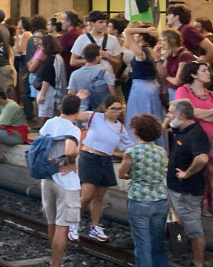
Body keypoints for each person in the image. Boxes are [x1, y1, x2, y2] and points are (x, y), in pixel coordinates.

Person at [73, 94, 134, 241]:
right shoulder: (94, 117)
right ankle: (72, 224)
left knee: (99, 196)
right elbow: (74, 115)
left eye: (120, 109)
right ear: (105, 108)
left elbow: (130, 146)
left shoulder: (119, 127)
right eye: (114, 109)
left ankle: (95, 226)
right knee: (87, 195)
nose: (117, 112)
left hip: (105, 160)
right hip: (89, 156)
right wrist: (77, 99)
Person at [37, 94, 82, 265]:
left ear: (61, 107)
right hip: (65, 181)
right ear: (78, 111)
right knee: (62, 227)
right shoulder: (72, 129)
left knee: (52, 224)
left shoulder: (49, 123)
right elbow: (70, 150)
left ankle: (53, 260)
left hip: (48, 178)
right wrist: (72, 163)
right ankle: (55, 264)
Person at [118, 113, 168, 267]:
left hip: (139, 200)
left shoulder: (132, 152)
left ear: (135, 131)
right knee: (158, 243)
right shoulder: (161, 151)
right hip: (160, 200)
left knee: (142, 245)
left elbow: (121, 173)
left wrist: (131, 175)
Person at [165, 100, 208, 267]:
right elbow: (164, 127)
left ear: (181, 115)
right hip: (175, 189)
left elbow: (202, 158)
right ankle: (180, 250)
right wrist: (169, 117)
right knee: (176, 222)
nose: (167, 115)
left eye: (170, 112)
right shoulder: (181, 129)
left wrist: (187, 173)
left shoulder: (196, 134)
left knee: (194, 228)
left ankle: (198, 262)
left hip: (186, 192)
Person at [174, 61, 213, 217]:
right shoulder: (183, 91)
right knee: (200, 170)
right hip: (192, 139)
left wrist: (199, 113)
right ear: (193, 74)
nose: (208, 73)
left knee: (210, 171)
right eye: (204, 70)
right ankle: (199, 206)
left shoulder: (210, 94)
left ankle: (209, 206)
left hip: (210, 137)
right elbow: (187, 113)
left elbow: (195, 112)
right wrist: (209, 112)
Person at [123, 24, 165, 136]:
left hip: (141, 87)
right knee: (153, 114)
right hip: (153, 86)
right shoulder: (152, 50)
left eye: (137, 35)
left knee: (138, 114)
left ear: (141, 36)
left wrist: (146, 30)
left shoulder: (141, 51)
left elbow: (127, 31)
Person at [67, 43, 116, 112]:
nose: (101, 57)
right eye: (100, 55)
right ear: (96, 58)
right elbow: (113, 94)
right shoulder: (104, 73)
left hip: (80, 112)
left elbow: (70, 95)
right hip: (99, 112)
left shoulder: (75, 74)